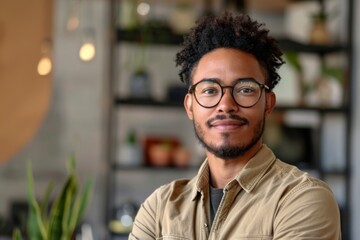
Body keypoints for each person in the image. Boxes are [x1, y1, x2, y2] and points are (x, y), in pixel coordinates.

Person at [129, 12, 341, 239]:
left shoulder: (303, 199)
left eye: (245, 89)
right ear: (190, 106)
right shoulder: (158, 208)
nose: (226, 105)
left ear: (268, 104)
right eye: (210, 90)